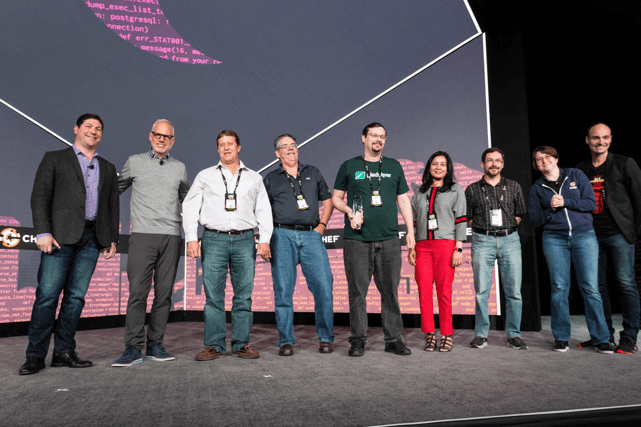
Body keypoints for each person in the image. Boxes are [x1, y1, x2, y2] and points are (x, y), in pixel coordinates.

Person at [19, 114, 119, 375]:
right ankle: (35, 355)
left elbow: (112, 205)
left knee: (75, 298)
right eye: (88, 126)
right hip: (58, 237)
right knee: (47, 297)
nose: (93, 131)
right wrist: (43, 232)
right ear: (76, 129)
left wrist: (112, 238)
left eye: (98, 128)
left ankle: (64, 352)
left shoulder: (108, 167)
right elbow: (40, 196)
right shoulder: (54, 158)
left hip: (92, 239)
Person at [183, 130, 272, 361]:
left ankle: (242, 343)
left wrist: (264, 239)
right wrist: (191, 237)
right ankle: (214, 345)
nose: (226, 148)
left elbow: (264, 210)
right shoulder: (205, 176)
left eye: (230, 143)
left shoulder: (254, 178)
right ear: (218, 149)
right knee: (213, 296)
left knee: (244, 295)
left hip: (245, 240)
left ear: (238, 147)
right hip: (213, 239)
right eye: (221, 144)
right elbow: (190, 207)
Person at [332, 122, 415, 357]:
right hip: (357, 240)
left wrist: (410, 232)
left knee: (390, 292)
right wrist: (349, 211)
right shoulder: (349, 166)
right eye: (374, 135)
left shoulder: (394, 166)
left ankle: (393, 339)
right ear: (363, 138)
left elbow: (403, 200)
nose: (378, 140)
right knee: (357, 293)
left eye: (382, 136)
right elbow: (336, 198)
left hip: (389, 240)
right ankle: (358, 340)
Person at [111, 119, 190, 367]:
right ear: (150, 136)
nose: (162, 140)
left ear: (173, 141)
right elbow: (112, 192)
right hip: (142, 235)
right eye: (158, 135)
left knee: (164, 295)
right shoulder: (134, 162)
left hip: (171, 237)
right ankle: (133, 348)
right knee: (137, 293)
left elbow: (189, 202)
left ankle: (155, 344)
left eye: (167, 137)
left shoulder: (180, 168)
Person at [528, 146, 612, 354]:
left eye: (547, 157)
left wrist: (566, 201)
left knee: (590, 287)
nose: (544, 161)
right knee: (559, 288)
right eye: (538, 159)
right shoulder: (537, 188)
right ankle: (561, 337)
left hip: (584, 236)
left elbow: (591, 204)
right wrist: (551, 208)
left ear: (556, 159)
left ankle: (601, 338)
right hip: (554, 239)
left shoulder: (575, 175)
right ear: (536, 165)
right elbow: (535, 220)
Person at [264, 134, 334, 356]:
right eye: (285, 146)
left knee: (324, 287)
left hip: (311, 235)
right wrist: (265, 239)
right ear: (277, 153)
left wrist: (322, 225)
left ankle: (325, 338)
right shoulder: (271, 178)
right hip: (282, 235)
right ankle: (286, 341)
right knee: (283, 290)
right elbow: (263, 211)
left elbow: (328, 200)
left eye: (293, 145)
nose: (291, 149)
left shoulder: (312, 172)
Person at [576, 123, 641, 354]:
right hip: (590, 236)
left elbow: (638, 199)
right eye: (596, 138)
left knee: (626, 284)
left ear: (611, 139)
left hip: (619, 234)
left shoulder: (625, 163)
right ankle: (603, 336)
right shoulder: (580, 169)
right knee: (596, 287)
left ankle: (629, 338)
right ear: (587, 140)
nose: (600, 142)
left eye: (605, 137)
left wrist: (634, 232)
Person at [465, 148, 528, 350]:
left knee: (514, 292)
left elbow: (520, 213)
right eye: (490, 160)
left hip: (510, 240)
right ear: (482, 164)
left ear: (503, 164)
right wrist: (483, 229)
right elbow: (468, 216)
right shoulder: (472, 189)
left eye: (498, 160)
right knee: (481, 292)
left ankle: (514, 335)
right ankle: (481, 335)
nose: (494, 164)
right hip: (482, 240)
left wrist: (506, 227)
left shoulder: (514, 186)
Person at [407, 151, 466, 352]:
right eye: (434, 164)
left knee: (444, 293)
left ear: (448, 168)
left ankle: (447, 334)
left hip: (446, 246)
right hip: (422, 247)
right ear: (429, 167)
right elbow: (414, 222)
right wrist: (412, 247)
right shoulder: (419, 191)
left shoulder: (456, 189)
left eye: (442, 164)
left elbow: (461, 220)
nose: (438, 167)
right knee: (424, 292)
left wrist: (458, 248)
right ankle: (429, 333)